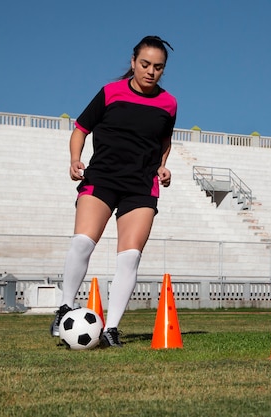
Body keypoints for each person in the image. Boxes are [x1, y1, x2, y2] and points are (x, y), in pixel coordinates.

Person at [50, 35, 177, 348]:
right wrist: (74, 159)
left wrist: (162, 166)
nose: (150, 71)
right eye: (145, 64)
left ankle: (112, 329)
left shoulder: (168, 104)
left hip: (140, 186)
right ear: (133, 62)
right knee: (82, 242)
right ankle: (66, 307)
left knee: (130, 257)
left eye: (158, 67)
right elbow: (81, 128)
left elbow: (164, 142)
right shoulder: (110, 93)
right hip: (102, 179)